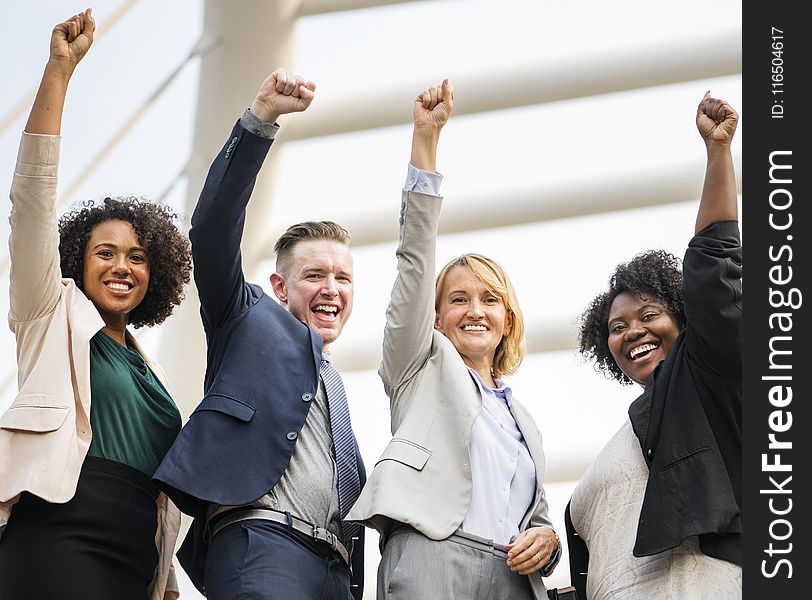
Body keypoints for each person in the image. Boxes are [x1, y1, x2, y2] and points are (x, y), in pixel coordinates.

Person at [0, 9, 192, 600]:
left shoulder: (151, 372)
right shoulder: (47, 314)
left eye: (137, 258)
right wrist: (59, 71)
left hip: (136, 550)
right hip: (58, 528)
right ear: (76, 263)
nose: (121, 266)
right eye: (105, 252)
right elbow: (33, 196)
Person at [153, 68, 365, 600]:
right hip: (263, 542)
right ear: (278, 285)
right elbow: (213, 229)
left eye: (343, 278)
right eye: (314, 275)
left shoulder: (331, 382)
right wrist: (260, 121)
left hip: (335, 571)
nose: (331, 289)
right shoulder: (246, 317)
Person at [346, 79, 560, 600]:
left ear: (507, 320)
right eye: (458, 299)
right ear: (436, 319)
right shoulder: (419, 366)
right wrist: (426, 142)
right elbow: (415, 262)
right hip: (434, 555)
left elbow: (536, 514)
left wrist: (547, 539)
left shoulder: (521, 418)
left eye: (489, 299)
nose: (474, 310)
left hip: (512, 578)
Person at [565, 93, 742, 600]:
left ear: (684, 321)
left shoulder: (707, 380)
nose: (632, 332)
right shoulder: (632, 428)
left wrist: (718, 152)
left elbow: (715, 265)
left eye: (648, 315)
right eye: (617, 327)